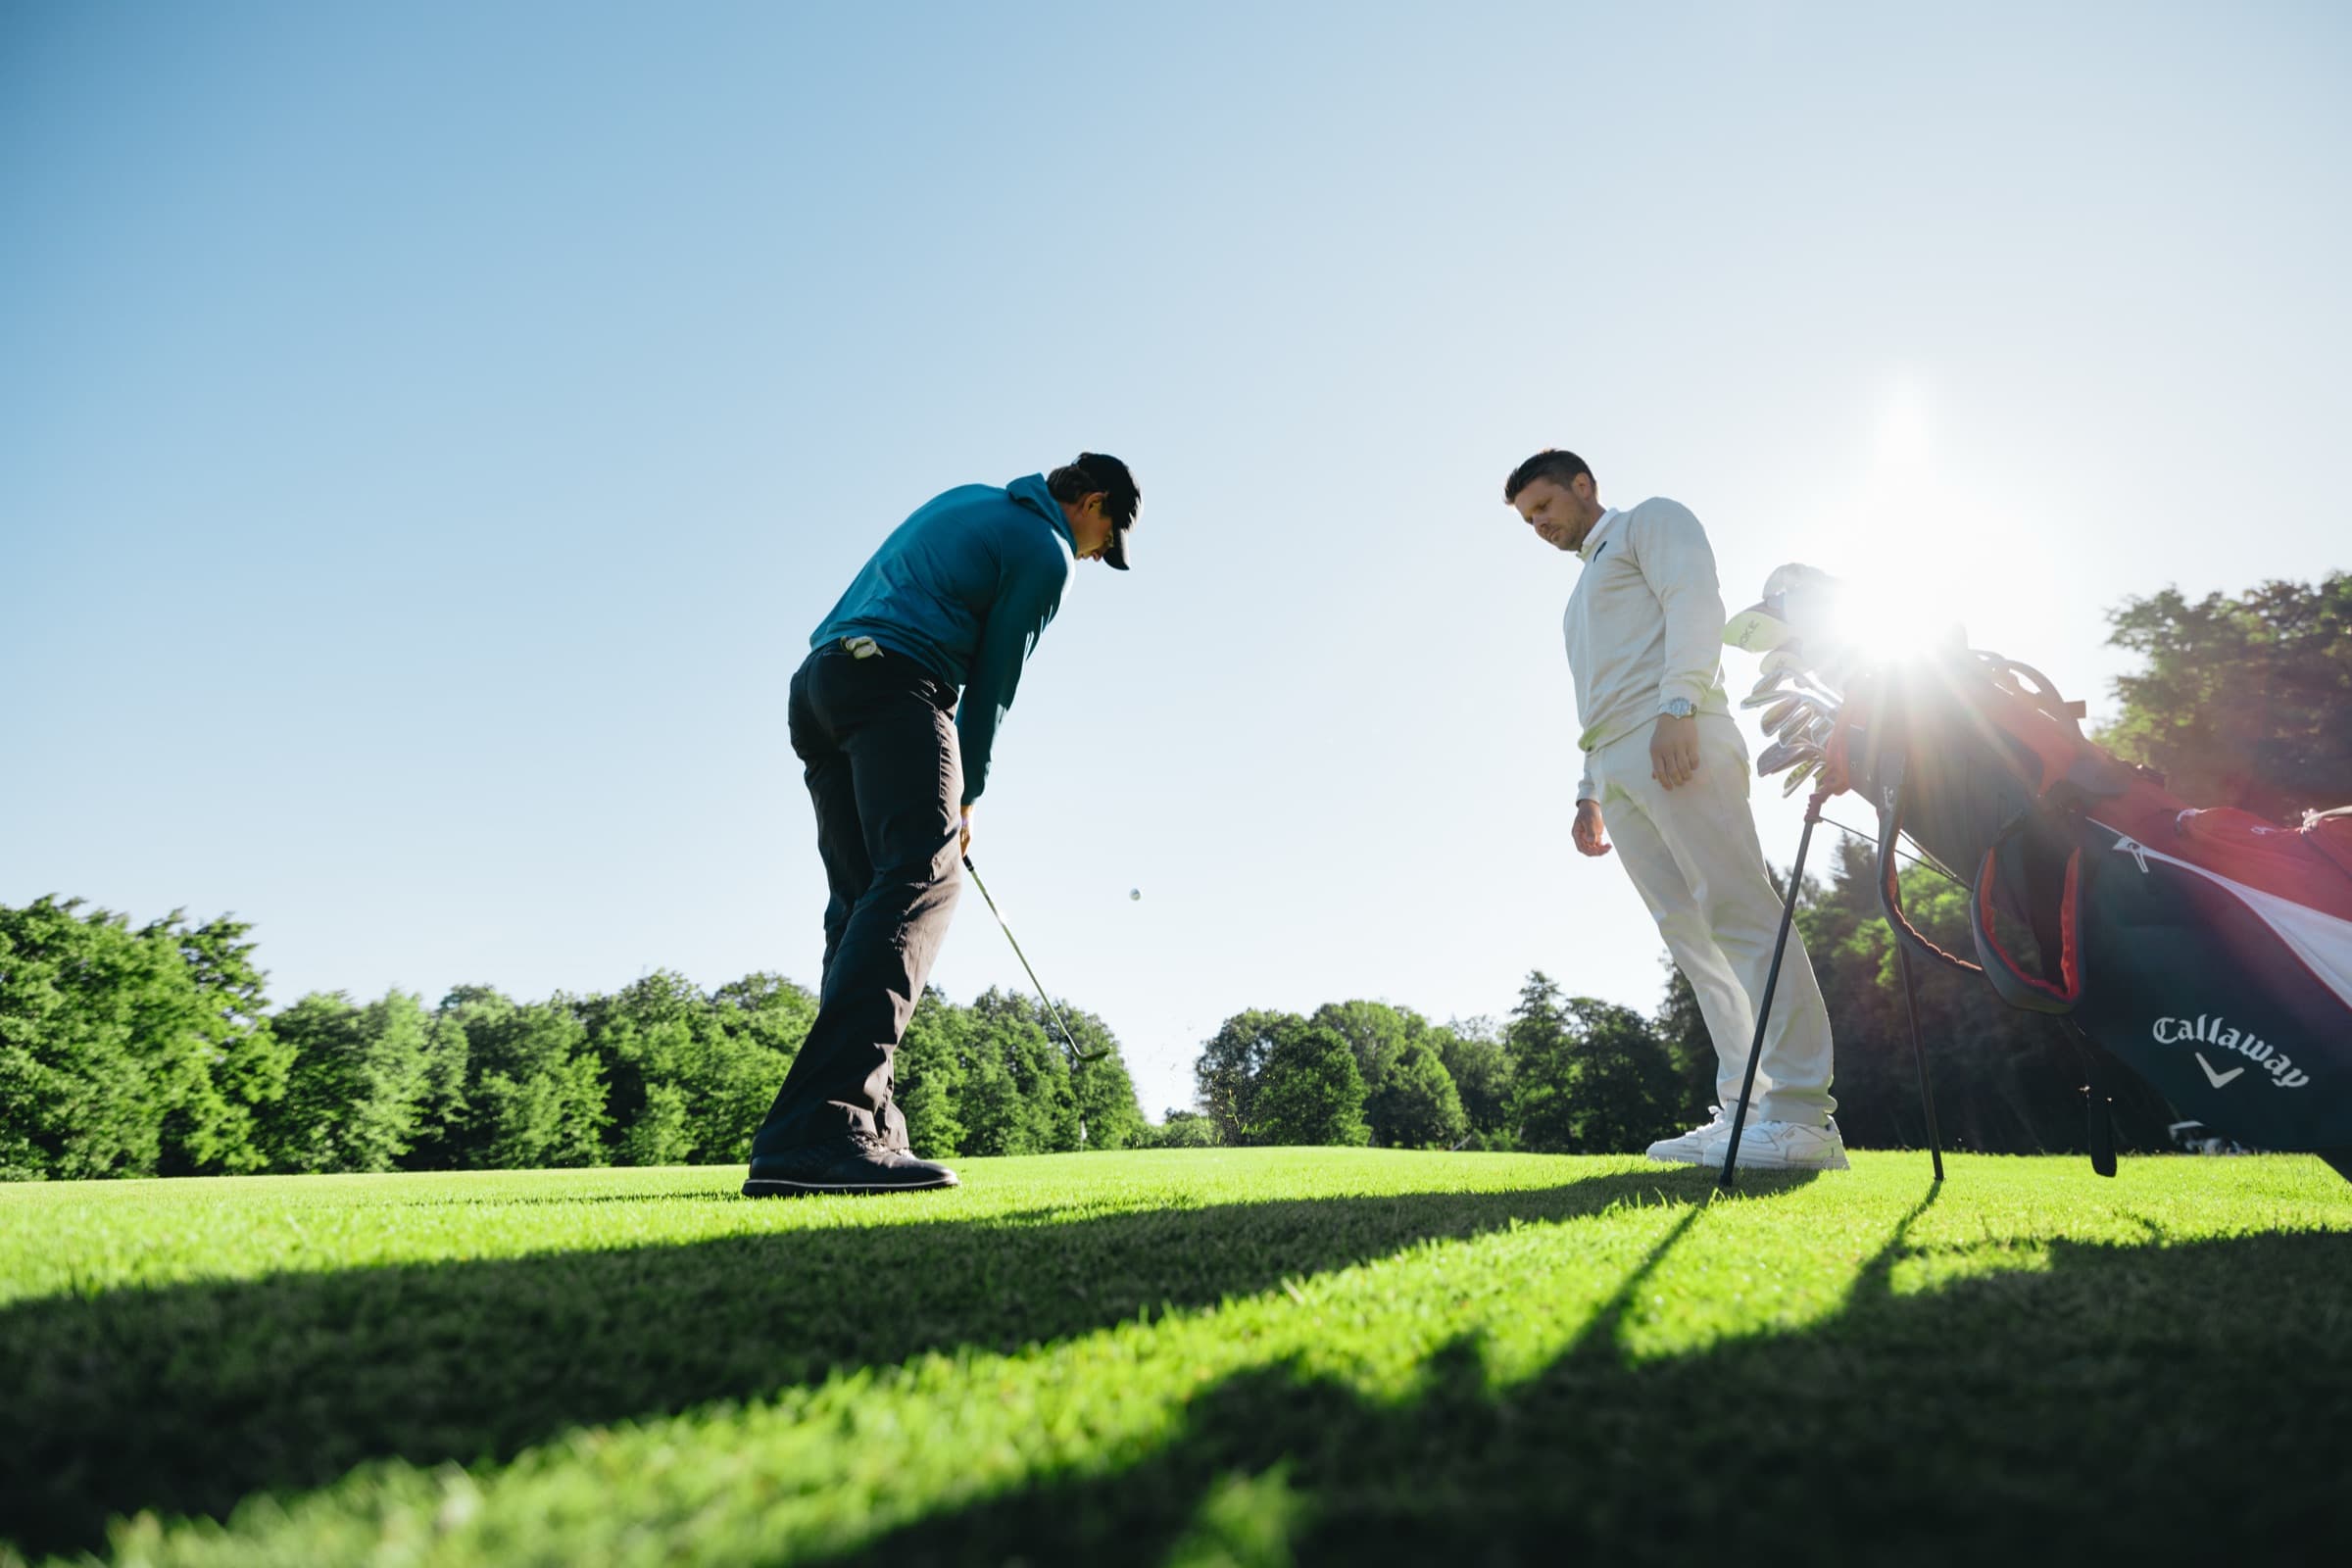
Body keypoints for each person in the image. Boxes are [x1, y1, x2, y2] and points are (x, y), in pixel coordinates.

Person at [743, 453, 1140, 1196]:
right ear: (1091, 502)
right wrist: (968, 797)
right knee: (924, 880)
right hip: (894, 683)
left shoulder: (971, 498)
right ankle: (825, 1127)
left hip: (820, 686)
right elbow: (992, 686)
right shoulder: (1047, 551)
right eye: (1106, 537)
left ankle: (862, 1123)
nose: (1097, 553)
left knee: (863, 906)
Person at [1503, 449, 1845, 1170]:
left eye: (1544, 506)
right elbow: (1596, 698)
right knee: (1691, 940)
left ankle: (1802, 1116)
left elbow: (1695, 602)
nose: (1539, 525)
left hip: (1676, 737)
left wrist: (1681, 705)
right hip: (1617, 764)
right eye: (1528, 519)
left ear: (1583, 486)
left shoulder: (1649, 523)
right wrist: (1589, 791)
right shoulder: (1576, 601)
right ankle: (1745, 1110)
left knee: (1741, 915)